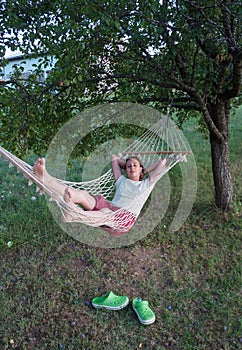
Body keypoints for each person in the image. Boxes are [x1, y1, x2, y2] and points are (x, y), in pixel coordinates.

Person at [33, 154, 167, 234]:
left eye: (135, 166)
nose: (131, 167)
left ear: (141, 169)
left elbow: (163, 163)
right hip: (109, 208)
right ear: (125, 169)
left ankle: (75, 214)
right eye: (128, 166)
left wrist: (144, 171)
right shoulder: (121, 180)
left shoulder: (146, 184)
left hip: (123, 219)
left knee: (106, 213)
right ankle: (46, 178)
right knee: (83, 195)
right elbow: (114, 158)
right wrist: (128, 164)